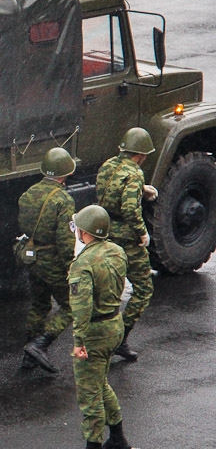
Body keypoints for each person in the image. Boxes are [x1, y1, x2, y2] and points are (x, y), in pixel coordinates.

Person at [61, 204, 132, 449]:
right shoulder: (117, 251)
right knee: (100, 383)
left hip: (95, 332)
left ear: (84, 231)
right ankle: (118, 437)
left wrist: (79, 341)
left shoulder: (83, 263)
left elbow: (81, 307)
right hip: (114, 324)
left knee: (89, 393)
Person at [96, 127, 157, 361]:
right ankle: (119, 339)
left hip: (106, 232)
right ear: (140, 155)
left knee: (109, 289)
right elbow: (130, 208)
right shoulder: (135, 172)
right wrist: (142, 233)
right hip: (127, 238)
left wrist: (141, 190)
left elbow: (110, 191)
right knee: (143, 289)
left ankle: (98, 338)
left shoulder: (107, 165)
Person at [20, 148, 77, 373]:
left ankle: (29, 355)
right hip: (52, 260)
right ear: (66, 173)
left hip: (32, 258)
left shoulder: (28, 194)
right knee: (71, 305)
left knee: (39, 303)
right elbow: (65, 240)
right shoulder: (63, 200)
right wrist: (72, 266)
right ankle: (40, 343)